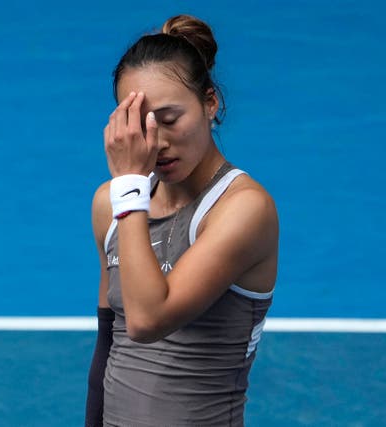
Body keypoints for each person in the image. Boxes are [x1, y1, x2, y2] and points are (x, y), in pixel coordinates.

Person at [85, 14, 279, 427]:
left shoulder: (244, 209)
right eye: (141, 125)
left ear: (212, 102)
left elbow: (147, 320)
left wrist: (130, 187)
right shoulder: (111, 204)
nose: (158, 142)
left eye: (170, 119)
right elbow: (109, 343)